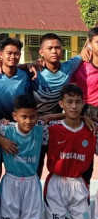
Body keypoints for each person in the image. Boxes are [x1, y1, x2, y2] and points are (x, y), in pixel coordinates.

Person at [43, 84, 97, 219]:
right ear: (61, 104)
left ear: (83, 104)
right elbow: (27, 121)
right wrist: (55, 116)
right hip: (56, 185)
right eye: (69, 102)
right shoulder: (50, 129)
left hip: (78, 185)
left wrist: (84, 119)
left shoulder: (92, 130)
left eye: (78, 102)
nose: (74, 106)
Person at [0, 94, 45, 219]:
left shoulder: (40, 128)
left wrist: (83, 117)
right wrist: (1, 139)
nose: (29, 121)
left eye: (32, 116)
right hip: (10, 184)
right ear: (15, 116)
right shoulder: (5, 129)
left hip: (32, 185)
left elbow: (60, 117)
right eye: (24, 117)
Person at [31, 33, 83, 178]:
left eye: (58, 48)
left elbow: (84, 52)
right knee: (35, 168)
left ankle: (55, 198)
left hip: (59, 125)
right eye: (50, 48)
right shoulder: (34, 71)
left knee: (60, 168)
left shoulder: (69, 66)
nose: (54, 51)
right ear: (41, 52)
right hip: (36, 125)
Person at [71, 26, 98, 184]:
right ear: (90, 44)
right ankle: (83, 200)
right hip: (84, 114)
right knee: (84, 164)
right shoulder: (81, 66)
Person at [0, 37, 30, 121]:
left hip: (15, 125)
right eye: (9, 53)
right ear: (1, 54)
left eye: (16, 53)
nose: (13, 57)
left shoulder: (24, 76)